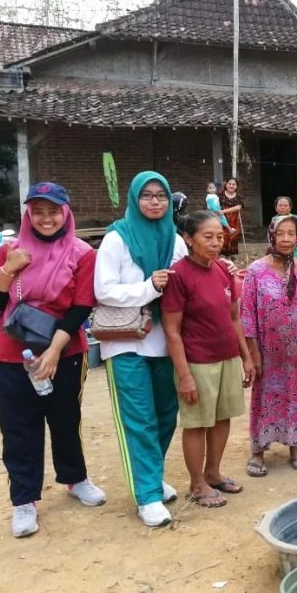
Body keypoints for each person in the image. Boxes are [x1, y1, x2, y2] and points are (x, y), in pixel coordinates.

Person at [0, 182, 106, 538]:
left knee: (66, 418)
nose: (46, 218)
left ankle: (75, 478)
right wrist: (8, 269)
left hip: (66, 351)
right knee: (19, 428)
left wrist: (54, 351)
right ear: (28, 214)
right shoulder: (11, 249)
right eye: (37, 211)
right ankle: (24, 500)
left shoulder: (82, 253)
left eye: (53, 211)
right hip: (12, 353)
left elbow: (81, 307)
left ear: (65, 213)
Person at [95, 171, 188, 528]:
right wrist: (149, 286)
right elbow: (104, 290)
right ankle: (147, 495)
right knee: (140, 420)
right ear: (135, 199)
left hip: (165, 341)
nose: (154, 202)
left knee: (166, 415)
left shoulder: (174, 239)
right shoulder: (116, 239)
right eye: (147, 195)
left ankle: (152, 475)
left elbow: (189, 279)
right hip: (125, 343)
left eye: (161, 196)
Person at [162, 211, 256, 507]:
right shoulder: (178, 275)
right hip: (197, 361)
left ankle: (213, 473)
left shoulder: (223, 270)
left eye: (219, 237)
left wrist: (246, 357)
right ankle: (196, 483)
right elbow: (172, 330)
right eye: (208, 237)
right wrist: (184, 375)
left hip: (227, 356)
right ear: (188, 238)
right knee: (197, 423)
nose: (216, 243)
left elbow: (234, 317)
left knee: (222, 417)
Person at [241, 215, 297, 476]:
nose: (287, 239)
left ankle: (295, 445)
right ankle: (258, 450)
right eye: (281, 233)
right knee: (264, 398)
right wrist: (252, 353)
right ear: (271, 235)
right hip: (268, 352)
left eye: (292, 233)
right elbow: (247, 314)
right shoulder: (256, 271)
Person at [218, 177, 243, 257]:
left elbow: (238, 207)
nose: (231, 186)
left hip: (234, 220)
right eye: (229, 184)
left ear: (236, 186)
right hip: (222, 219)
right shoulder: (220, 195)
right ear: (226, 185)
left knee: (233, 237)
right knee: (222, 236)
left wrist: (224, 211)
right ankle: (220, 257)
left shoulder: (238, 197)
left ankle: (229, 257)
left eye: (233, 184)